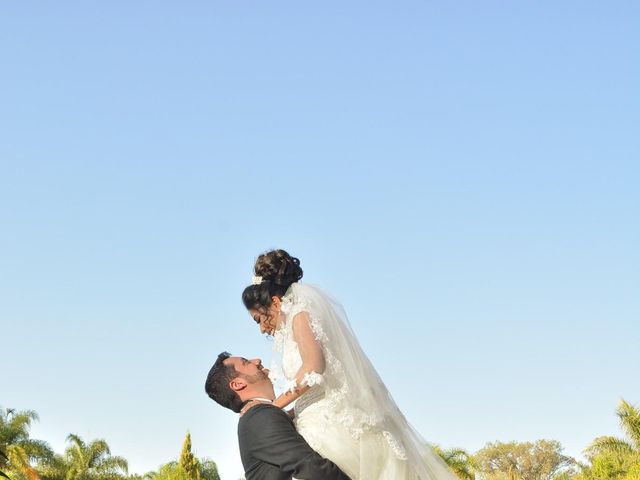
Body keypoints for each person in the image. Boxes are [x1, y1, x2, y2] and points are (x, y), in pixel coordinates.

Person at [241, 249, 458, 480]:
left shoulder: (300, 316)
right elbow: (316, 385)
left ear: (275, 302)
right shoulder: (299, 320)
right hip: (314, 416)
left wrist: (273, 407)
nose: (262, 329)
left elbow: (314, 367)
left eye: (259, 319)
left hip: (332, 426)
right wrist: (290, 413)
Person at [204, 351, 351, 480]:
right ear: (238, 384)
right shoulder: (258, 418)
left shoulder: (262, 414)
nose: (257, 360)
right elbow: (310, 467)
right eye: (246, 362)